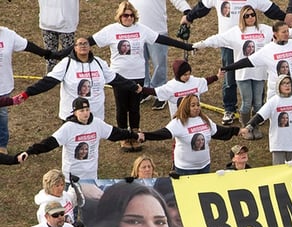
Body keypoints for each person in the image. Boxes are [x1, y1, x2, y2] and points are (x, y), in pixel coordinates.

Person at [87, 1, 193, 152]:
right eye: (125, 15)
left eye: (131, 16)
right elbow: (88, 42)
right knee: (122, 106)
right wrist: (69, 52)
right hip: (118, 77)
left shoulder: (141, 29)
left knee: (135, 107)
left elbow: (162, 40)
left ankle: (135, 134)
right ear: (120, 16)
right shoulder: (111, 30)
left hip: (138, 76)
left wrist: (186, 46)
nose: (128, 18)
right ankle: (123, 136)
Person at [180, 0, 287, 126]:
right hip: (228, 44)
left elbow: (270, 8)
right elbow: (202, 7)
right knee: (229, 77)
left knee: (258, 74)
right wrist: (189, 17)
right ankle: (229, 109)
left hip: (253, 44)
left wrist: (286, 17)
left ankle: (259, 110)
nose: (250, 17)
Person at [191, 5, 273, 139]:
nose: (250, 18)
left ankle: (255, 127)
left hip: (259, 73)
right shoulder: (235, 32)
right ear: (242, 17)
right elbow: (216, 39)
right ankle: (246, 129)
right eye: (247, 16)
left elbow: (283, 32)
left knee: (258, 102)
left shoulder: (264, 29)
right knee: (247, 102)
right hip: (243, 74)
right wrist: (200, 44)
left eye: (252, 15)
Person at [16, 37, 143, 121]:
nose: (83, 46)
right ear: (74, 48)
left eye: (86, 43)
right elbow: (48, 82)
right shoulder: (66, 63)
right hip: (72, 115)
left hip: (95, 115)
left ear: (90, 47)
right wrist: (27, 93)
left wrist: (134, 86)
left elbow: (115, 79)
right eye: (79, 44)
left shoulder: (99, 63)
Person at [20, 97, 141, 180]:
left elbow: (116, 134)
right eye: (82, 110)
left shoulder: (97, 124)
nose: (85, 113)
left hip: (91, 176)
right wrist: (29, 151)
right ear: (75, 113)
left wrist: (135, 135)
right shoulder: (68, 128)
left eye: (87, 109)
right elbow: (48, 143)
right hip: (71, 177)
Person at [142, 94, 246, 175]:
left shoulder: (204, 119)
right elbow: (162, 134)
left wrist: (237, 131)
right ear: (186, 107)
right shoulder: (178, 122)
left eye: (198, 105)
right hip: (185, 169)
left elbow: (219, 131)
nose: (196, 108)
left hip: (204, 166)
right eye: (193, 105)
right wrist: (145, 135)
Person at [0, 26, 56, 154]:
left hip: (3, 85)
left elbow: (26, 45)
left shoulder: (8, 35)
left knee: (1, 115)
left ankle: (2, 145)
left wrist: (45, 53)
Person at [141, 58, 222, 117]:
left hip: (195, 116)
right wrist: (142, 89)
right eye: (184, 75)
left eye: (189, 74)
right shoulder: (171, 86)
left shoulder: (194, 81)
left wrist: (217, 76)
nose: (187, 77)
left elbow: (206, 81)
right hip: (179, 118)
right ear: (178, 74)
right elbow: (155, 91)